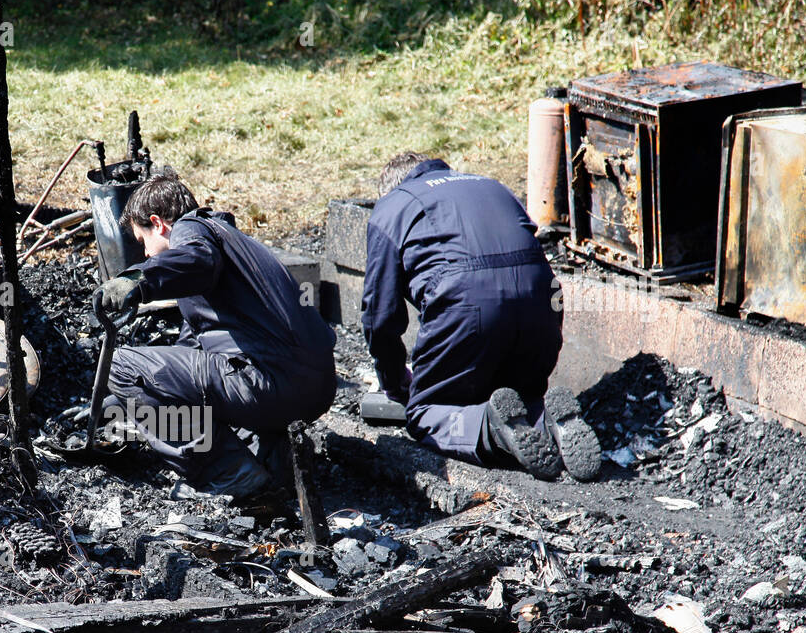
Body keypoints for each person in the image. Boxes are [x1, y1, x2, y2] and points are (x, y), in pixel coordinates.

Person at [360, 152, 602, 481]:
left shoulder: (392, 206)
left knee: (427, 412)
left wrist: (394, 382)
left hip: (468, 308)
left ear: (391, 188)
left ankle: (491, 428)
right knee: (517, 397)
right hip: (542, 305)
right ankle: (547, 420)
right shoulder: (492, 186)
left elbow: (379, 316)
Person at [94, 174, 336, 499]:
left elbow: (195, 258)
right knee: (146, 378)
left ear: (158, 223)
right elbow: (188, 360)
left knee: (119, 365)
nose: (148, 254)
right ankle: (274, 467)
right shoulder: (232, 249)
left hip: (269, 380)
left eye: (143, 242)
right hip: (313, 389)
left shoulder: (193, 231)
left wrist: (138, 279)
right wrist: (124, 402)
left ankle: (229, 473)